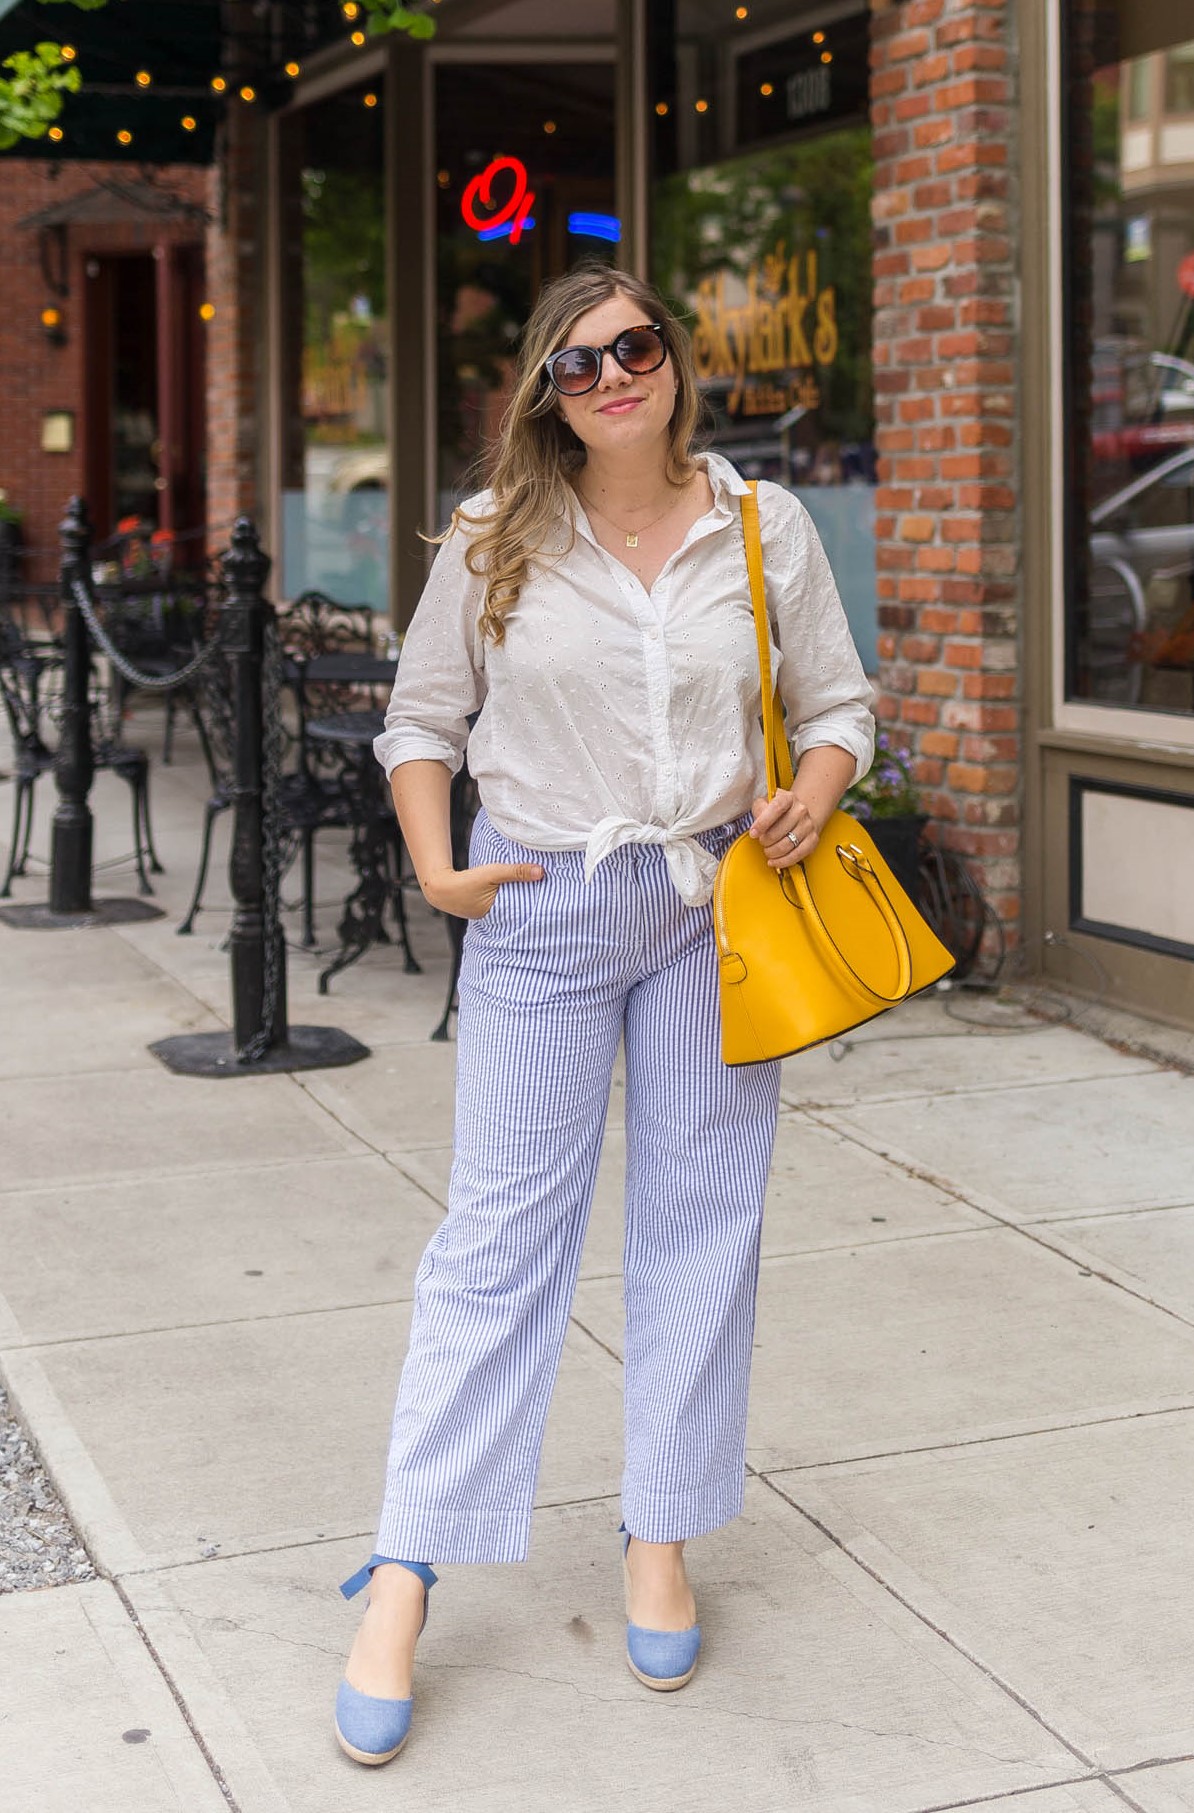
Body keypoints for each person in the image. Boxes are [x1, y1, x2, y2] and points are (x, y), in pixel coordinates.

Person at [334, 261, 875, 1766]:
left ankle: (660, 1530)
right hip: (545, 907)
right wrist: (437, 866)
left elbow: (838, 704)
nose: (614, 375)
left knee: (703, 1225)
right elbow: (420, 718)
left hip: (715, 911)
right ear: (544, 392)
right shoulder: (494, 536)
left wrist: (806, 793)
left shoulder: (764, 529)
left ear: (674, 360)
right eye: (579, 363)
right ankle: (402, 1569)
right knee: (501, 1241)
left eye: (635, 346)